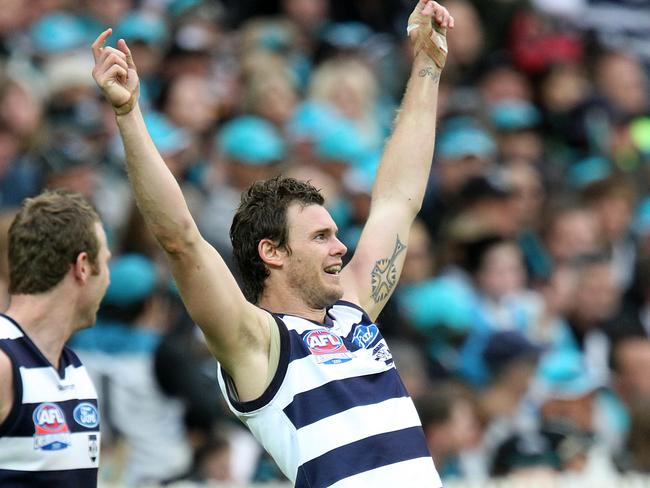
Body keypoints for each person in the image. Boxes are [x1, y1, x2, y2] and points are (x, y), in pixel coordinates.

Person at [92, 1, 453, 486]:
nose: (341, 248)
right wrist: (129, 114)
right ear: (273, 252)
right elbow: (180, 239)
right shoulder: (257, 345)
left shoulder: (352, 312)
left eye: (337, 235)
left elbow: (397, 199)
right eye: (321, 237)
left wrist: (427, 65)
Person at [0, 190, 111, 487]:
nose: (109, 279)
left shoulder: (73, 368)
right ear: (83, 266)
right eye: (106, 263)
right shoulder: (3, 362)